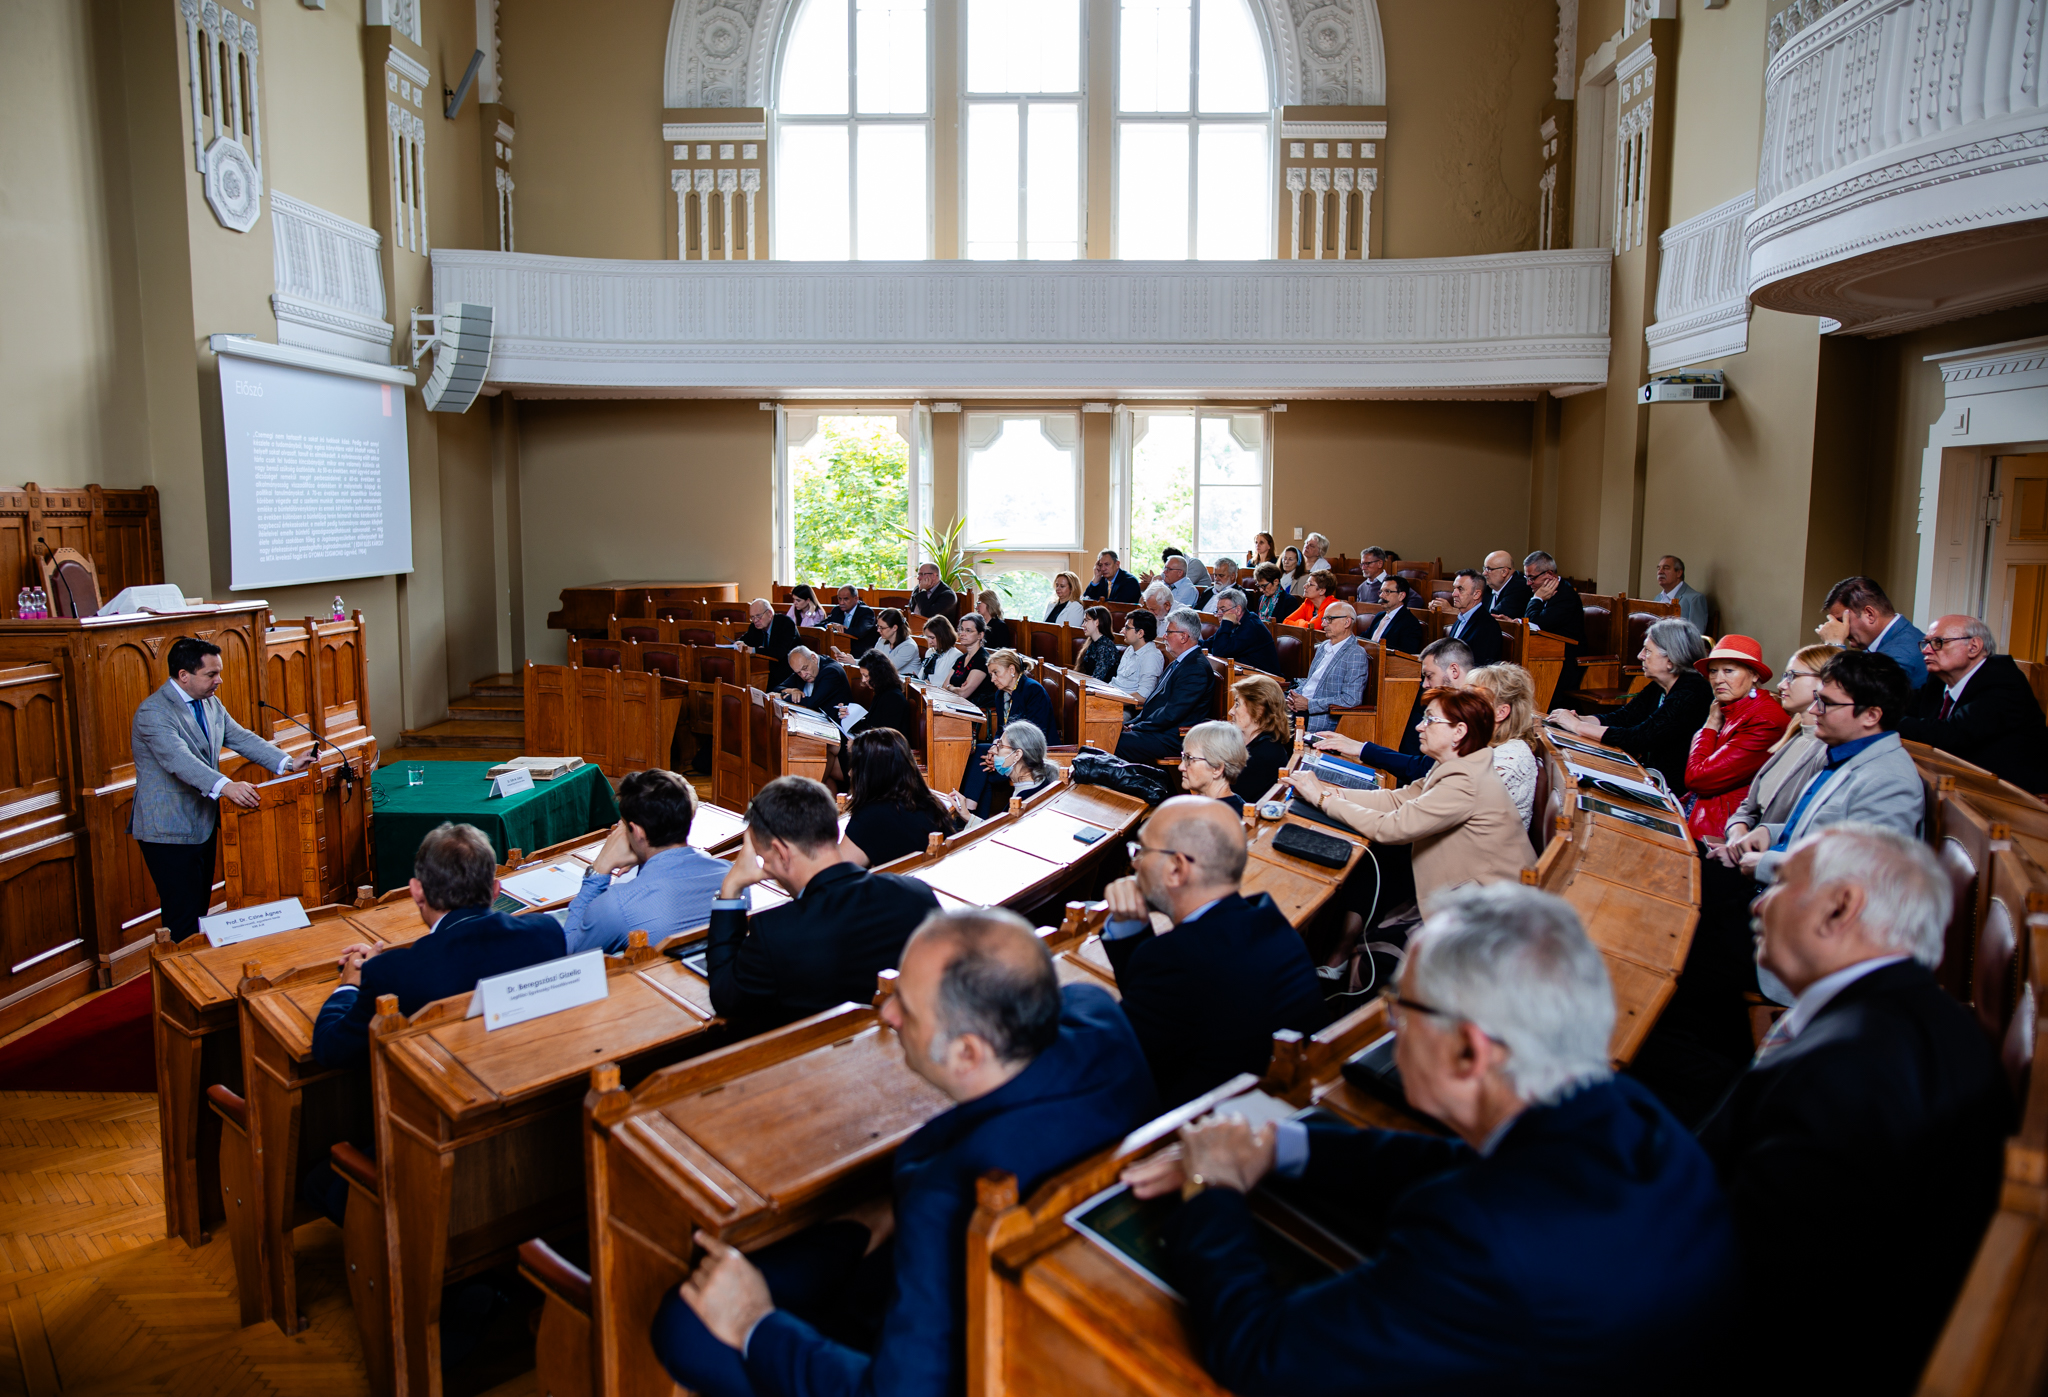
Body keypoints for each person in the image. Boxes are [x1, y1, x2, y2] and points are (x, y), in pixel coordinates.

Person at [1127, 883, 1738, 1396]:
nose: (1390, 1028)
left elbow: (1263, 1358)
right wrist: (1282, 1145)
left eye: (1399, 1008)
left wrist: (1214, 1185)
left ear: (1470, 1051)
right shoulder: (1632, 1115)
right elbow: (1454, 1161)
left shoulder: (1480, 1243)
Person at [654, 909, 1156, 1397]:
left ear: (968, 1053)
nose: (886, 1012)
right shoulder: (1098, 1014)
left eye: (909, 1010)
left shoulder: (945, 1194)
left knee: (685, 1323)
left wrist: (753, 1322)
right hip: (1076, 1259)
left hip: (936, 1348)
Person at [1698, 825, 2010, 1394]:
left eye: (1782, 883)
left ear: (1840, 906)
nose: (1760, 902)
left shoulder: (1853, 1070)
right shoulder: (1903, 1019)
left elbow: (1753, 1289)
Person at [1101, 797, 1324, 1104]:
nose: (1135, 864)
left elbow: (1119, 1061)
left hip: (1191, 1120)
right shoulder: (1269, 921)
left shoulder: (1175, 962)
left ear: (1177, 868)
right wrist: (1131, 925)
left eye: (1142, 851)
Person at [312, 822, 566, 1067]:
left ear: (416, 891)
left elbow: (330, 1049)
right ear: (495, 890)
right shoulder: (545, 932)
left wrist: (349, 985)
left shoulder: (392, 974)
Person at [705, 776, 941, 1036]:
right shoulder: (916, 895)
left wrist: (730, 889)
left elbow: (724, 996)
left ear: (781, 853)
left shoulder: (775, 934)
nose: (767, 870)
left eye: (764, 859)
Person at [1287, 687, 1534, 901]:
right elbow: (1398, 798)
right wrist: (1329, 792)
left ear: (1459, 732)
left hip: (1491, 909)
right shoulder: (1457, 763)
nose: (1419, 726)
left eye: (1430, 720)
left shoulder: (1466, 779)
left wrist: (1324, 800)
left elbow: (1392, 828)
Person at [130, 636, 300, 940]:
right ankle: (181, 967)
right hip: (168, 829)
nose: (218, 680)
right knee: (182, 916)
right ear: (184, 675)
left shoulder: (210, 703)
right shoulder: (153, 712)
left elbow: (240, 737)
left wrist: (287, 762)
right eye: (211, 674)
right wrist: (226, 787)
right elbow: (179, 760)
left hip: (202, 822)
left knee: (198, 910)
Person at [1718, 650, 1924, 880]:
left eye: (1826, 703)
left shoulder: (1889, 779)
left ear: (1871, 716)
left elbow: (1868, 869)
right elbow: (1822, 831)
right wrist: (1770, 832)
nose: (1814, 710)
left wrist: (1768, 864)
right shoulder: (1845, 753)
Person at [562, 770, 730, 955]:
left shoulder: (615, 905)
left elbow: (568, 954)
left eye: (623, 825)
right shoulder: (731, 877)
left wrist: (599, 869)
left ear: (636, 831)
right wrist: (645, 860)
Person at [1548, 618, 1711, 795]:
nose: (1640, 656)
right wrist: (1580, 719)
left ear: (1671, 659)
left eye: (1648, 651)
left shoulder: (1692, 692)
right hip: (1653, 779)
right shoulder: (1661, 685)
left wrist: (1578, 727)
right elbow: (1623, 717)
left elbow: (1639, 738)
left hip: (1674, 792)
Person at [1899, 614, 2048, 791]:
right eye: (1926, 643)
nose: (1926, 650)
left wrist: (1883, 719)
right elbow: (1902, 707)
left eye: (1938, 642)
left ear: (1974, 647)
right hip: (1959, 784)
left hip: (2010, 796)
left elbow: (1952, 734)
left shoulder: (2003, 680)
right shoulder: (1939, 679)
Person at [1315, 636, 1473, 785]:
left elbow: (1422, 769)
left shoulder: (1474, 714)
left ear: (1454, 671)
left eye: (1429, 676)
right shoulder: (1443, 703)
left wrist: (1361, 749)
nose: (1425, 684)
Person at [1683, 635, 1791, 842]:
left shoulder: (1764, 720)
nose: (1718, 679)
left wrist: (1710, 725)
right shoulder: (1732, 707)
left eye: (1729, 671)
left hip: (1722, 835)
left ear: (1754, 675)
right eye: (1713, 671)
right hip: (1704, 820)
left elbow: (1698, 778)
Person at [840, 730, 960, 868]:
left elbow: (835, 873)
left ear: (871, 773)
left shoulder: (871, 817)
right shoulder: (931, 804)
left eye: (855, 766)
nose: (850, 773)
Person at [959, 652, 1055, 815]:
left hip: (1032, 752)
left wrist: (1000, 754)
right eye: (991, 674)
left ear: (1011, 670)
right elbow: (1000, 731)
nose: (992, 679)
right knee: (982, 756)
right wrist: (994, 748)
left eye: (996, 673)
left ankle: (970, 814)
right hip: (1010, 748)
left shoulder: (1032, 690)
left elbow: (1034, 735)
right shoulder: (1001, 694)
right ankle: (973, 815)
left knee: (985, 768)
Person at [1114, 609, 1216, 763]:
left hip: (1173, 737)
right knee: (1109, 733)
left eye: (1168, 632)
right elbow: (1154, 703)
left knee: (1114, 741)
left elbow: (1171, 714)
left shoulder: (1196, 669)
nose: (1164, 636)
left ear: (1183, 637)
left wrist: (1136, 727)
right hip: (1159, 731)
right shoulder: (1180, 661)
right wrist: (1132, 724)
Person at [1465, 663, 1542, 829]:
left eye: (1472, 700)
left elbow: (1448, 810)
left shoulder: (1512, 757)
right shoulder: (1484, 743)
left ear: (1500, 712)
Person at [1821, 575, 1927, 686]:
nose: (1841, 630)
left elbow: (1856, 692)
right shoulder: (1886, 643)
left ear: (1870, 614)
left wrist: (1834, 645)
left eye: (1842, 621)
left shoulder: (1902, 652)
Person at [1283, 600, 1366, 733]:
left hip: (1319, 717)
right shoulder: (1323, 646)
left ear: (1347, 622)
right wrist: (1294, 697)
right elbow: (1311, 683)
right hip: (1300, 707)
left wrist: (1309, 705)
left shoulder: (1355, 654)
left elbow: (1351, 699)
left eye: (1329, 619)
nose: (1323, 624)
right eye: (1324, 619)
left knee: (1267, 720)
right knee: (1260, 705)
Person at [1521, 551, 1586, 697]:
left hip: (1564, 662)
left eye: (1532, 578)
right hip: (1547, 655)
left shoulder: (1565, 595)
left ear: (1549, 574)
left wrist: (1536, 599)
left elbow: (1535, 623)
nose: (1528, 583)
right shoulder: (1540, 590)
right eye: (1526, 578)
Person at [1228, 674, 1293, 802]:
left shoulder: (1265, 754)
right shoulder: (1251, 742)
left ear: (1258, 711)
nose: (1231, 711)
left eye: (1237, 704)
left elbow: (1227, 797)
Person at [1177, 720, 1253, 814]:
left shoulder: (1219, 817)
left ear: (1217, 769)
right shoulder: (1231, 805)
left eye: (1189, 758)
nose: (1181, 767)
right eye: (1184, 757)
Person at [1201, 587, 1280, 673]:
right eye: (1217, 610)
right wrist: (1191, 642)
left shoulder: (1251, 626)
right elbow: (1209, 644)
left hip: (1264, 678)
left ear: (1238, 610)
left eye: (1223, 610)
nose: (1218, 615)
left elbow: (1219, 652)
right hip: (1245, 674)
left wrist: (1226, 623)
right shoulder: (1233, 623)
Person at [843, 651, 915, 744]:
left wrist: (857, 743)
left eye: (866, 676)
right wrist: (848, 716)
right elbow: (871, 725)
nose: (863, 680)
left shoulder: (893, 698)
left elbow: (885, 737)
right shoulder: (882, 692)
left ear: (878, 674)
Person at [1436, 568, 1503, 665]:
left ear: (1476, 594)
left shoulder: (1488, 626)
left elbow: (1482, 668)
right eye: (1454, 588)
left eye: (1460, 589)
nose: (1454, 594)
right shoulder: (1460, 620)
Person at [739, 598, 800, 690]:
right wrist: (739, 644)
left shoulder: (785, 623)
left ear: (770, 613)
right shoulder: (754, 627)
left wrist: (755, 650)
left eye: (758, 616)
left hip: (786, 672)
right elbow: (744, 640)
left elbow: (779, 653)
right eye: (752, 617)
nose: (755, 620)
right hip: (764, 671)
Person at [778, 646, 851, 715]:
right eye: (798, 673)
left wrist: (785, 696)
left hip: (832, 721)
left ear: (814, 659)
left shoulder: (831, 671)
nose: (803, 675)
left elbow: (812, 703)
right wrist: (792, 691)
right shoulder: (802, 667)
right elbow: (778, 687)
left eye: (805, 668)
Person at [1111, 610, 1165, 700]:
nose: (1123, 631)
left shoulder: (1151, 656)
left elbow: (1143, 696)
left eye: (1127, 628)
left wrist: (1112, 700)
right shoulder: (1130, 649)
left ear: (1140, 633)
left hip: (1124, 704)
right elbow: (1119, 681)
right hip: (1113, 694)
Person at [1362, 574, 1426, 651]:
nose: (1381, 596)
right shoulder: (1379, 616)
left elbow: (1405, 654)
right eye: (1381, 591)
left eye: (1387, 591)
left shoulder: (1410, 623)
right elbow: (1364, 639)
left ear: (1401, 596)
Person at [943, 614, 993, 710]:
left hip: (974, 710)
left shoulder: (982, 659)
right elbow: (944, 687)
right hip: (954, 705)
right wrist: (953, 688)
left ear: (980, 635)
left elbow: (964, 693)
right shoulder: (961, 658)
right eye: (961, 629)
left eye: (968, 630)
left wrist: (951, 687)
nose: (962, 634)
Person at [1653, 555, 1710, 633]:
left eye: (1666, 568)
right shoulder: (1657, 598)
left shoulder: (1695, 599)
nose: (1660, 572)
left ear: (1679, 573)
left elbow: (1696, 635)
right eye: (1658, 568)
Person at [822, 586, 877, 655]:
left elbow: (859, 632)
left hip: (859, 653)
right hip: (837, 650)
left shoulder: (866, 612)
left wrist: (837, 629)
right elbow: (820, 625)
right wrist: (832, 625)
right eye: (839, 599)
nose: (841, 603)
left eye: (846, 599)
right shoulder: (837, 610)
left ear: (856, 599)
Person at [871, 608, 921, 677]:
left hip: (907, 681)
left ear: (894, 628)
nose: (878, 630)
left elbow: (887, 668)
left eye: (882, 628)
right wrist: (856, 662)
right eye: (878, 626)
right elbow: (872, 661)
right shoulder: (882, 640)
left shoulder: (909, 646)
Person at [1075, 606, 1121, 680]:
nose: (1082, 625)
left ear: (1097, 622)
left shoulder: (1106, 647)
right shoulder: (1092, 643)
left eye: (1086, 620)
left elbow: (1098, 678)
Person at [1484, 549, 1532, 618]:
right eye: (1484, 568)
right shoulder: (1487, 587)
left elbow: (1495, 617)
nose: (1484, 573)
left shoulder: (1520, 588)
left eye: (1489, 569)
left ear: (1504, 572)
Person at [916, 614, 959, 684]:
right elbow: (923, 676)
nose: (929, 642)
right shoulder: (930, 652)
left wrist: (930, 686)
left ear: (943, 636)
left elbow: (949, 684)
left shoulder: (955, 655)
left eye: (932, 638)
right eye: (927, 637)